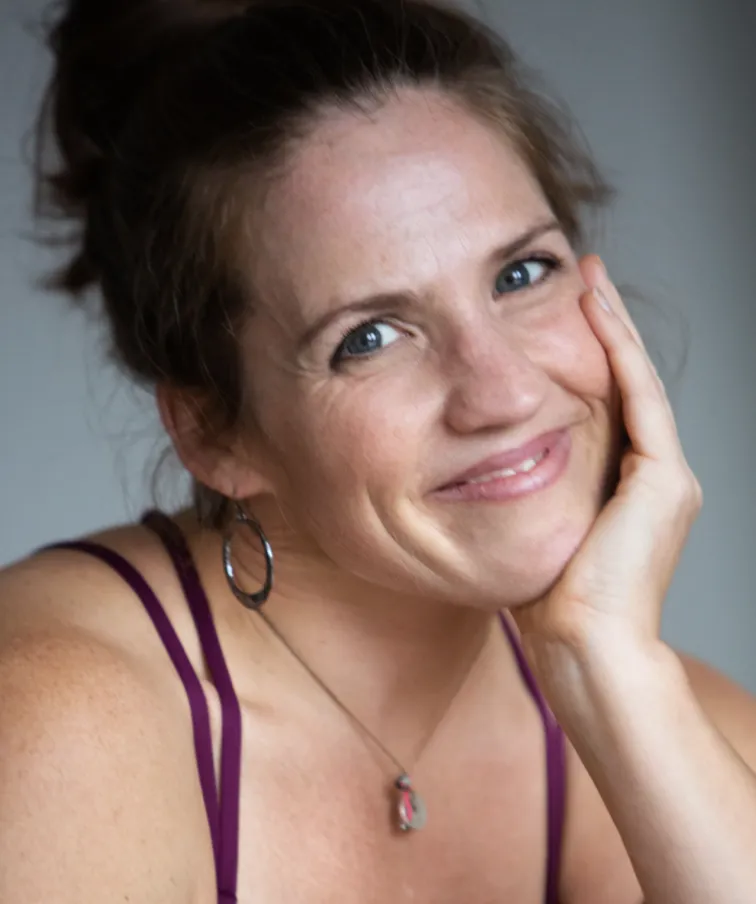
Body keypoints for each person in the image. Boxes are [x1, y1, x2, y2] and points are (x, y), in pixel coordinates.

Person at [2, 0, 756, 901]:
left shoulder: (668, 718)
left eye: (522, 274)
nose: (505, 392)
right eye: (369, 338)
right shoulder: (55, 725)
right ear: (216, 432)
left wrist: (614, 675)